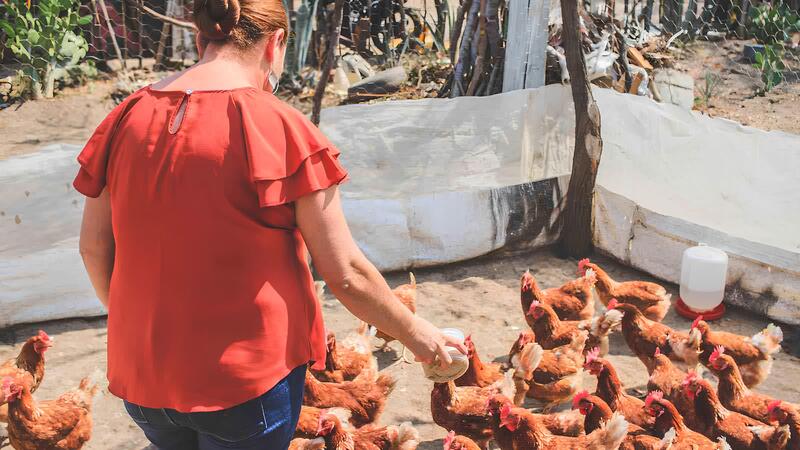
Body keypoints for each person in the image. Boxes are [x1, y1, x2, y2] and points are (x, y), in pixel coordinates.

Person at [74, 0, 465, 448]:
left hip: (143, 376)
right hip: (243, 387)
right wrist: (421, 337)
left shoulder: (125, 117)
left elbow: (93, 249)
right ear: (276, 44)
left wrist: (145, 327)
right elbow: (346, 275)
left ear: (201, 38)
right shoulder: (281, 126)